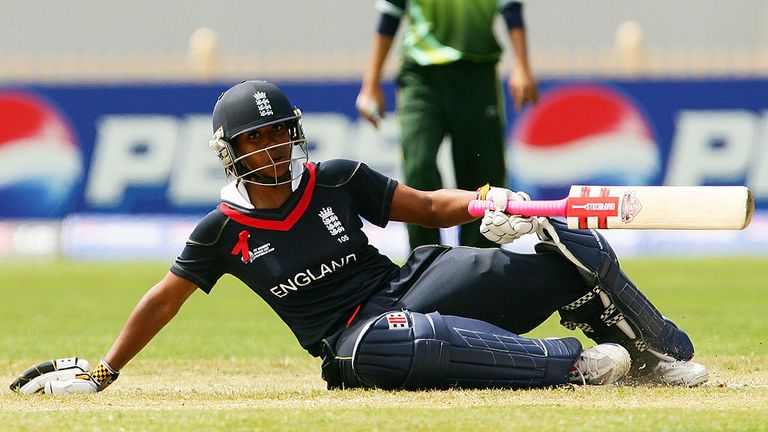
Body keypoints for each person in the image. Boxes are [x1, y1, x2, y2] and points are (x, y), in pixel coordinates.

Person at [11, 81, 708, 395]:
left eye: (279, 133)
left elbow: (430, 205)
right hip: (353, 338)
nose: (272, 148)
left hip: (411, 283)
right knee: (390, 340)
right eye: (254, 139)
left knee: (557, 238)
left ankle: (653, 354)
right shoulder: (222, 230)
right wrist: (106, 370)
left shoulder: (337, 177)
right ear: (229, 152)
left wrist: (491, 203)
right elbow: (162, 299)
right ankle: (572, 368)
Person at [356, 0, 539, 250]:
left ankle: (480, 263)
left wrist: (522, 66)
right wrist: (371, 84)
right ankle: (425, 260)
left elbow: (511, 10)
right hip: (421, 78)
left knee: (483, 174)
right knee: (419, 167)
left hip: (477, 73)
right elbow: (390, 15)